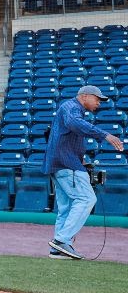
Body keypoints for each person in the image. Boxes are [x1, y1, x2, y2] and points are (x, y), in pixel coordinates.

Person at [41, 84, 124, 260]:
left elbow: (66, 136)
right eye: (97, 99)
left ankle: (58, 249)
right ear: (85, 96)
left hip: (61, 163)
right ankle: (61, 240)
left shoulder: (71, 108)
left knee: (66, 207)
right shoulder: (71, 106)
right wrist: (105, 135)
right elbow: (75, 124)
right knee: (86, 199)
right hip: (66, 163)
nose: (99, 103)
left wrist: (82, 160)